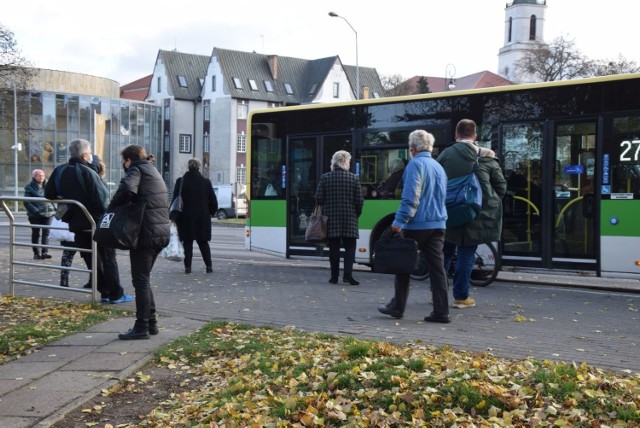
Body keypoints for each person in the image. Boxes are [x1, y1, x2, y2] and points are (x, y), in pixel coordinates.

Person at [45, 138, 131, 304]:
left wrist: (69, 205)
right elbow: (102, 199)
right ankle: (115, 294)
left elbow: (49, 194)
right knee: (107, 258)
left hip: (76, 224)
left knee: (90, 258)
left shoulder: (60, 170)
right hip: (96, 223)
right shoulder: (87, 172)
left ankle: (104, 291)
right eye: (90, 152)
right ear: (85, 155)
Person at [378, 130, 450, 323]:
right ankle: (441, 311)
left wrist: (398, 223)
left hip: (417, 224)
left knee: (403, 265)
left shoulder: (414, 165)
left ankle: (397, 307)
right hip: (439, 223)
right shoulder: (438, 167)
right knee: (437, 269)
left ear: (412, 149)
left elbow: (411, 198)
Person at [437, 119, 507, 309]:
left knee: (445, 253)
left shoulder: (445, 154)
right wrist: (485, 203)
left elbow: (436, 181)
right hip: (475, 214)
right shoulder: (485, 157)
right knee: (466, 254)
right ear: (475, 136)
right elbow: (501, 187)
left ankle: (438, 294)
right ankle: (461, 298)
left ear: (456, 135)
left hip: (449, 212)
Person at [110, 145, 170, 340]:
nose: (123, 165)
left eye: (124, 161)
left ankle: (141, 327)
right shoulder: (152, 169)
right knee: (144, 279)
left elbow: (127, 188)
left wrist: (114, 204)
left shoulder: (136, 169)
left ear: (129, 159)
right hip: (159, 232)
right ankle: (151, 323)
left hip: (145, 233)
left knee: (140, 281)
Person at [314, 150, 364, 285]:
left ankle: (334, 277)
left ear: (334, 162)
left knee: (334, 248)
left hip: (331, 219)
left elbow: (318, 198)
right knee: (350, 247)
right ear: (346, 162)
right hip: (350, 218)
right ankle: (348, 275)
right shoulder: (354, 178)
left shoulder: (325, 178)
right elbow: (359, 201)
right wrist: (355, 215)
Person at [173, 158, 218, 274]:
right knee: (203, 243)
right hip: (202, 217)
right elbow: (213, 201)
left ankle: (188, 267)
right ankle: (209, 266)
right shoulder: (206, 182)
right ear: (199, 167)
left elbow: (175, 200)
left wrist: (174, 217)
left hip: (185, 218)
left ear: (188, 167)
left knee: (187, 243)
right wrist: (210, 212)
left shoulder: (181, 181)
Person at [23, 169, 55, 259]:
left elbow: (55, 197)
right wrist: (35, 211)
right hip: (35, 215)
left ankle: (44, 252)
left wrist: (55, 208)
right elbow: (27, 202)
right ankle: (36, 253)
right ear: (34, 177)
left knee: (46, 233)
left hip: (49, 213)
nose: (41, 177)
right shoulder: (29, 187)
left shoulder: (49, 185)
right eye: (39, 175)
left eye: (43, 175)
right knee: (36, 233)